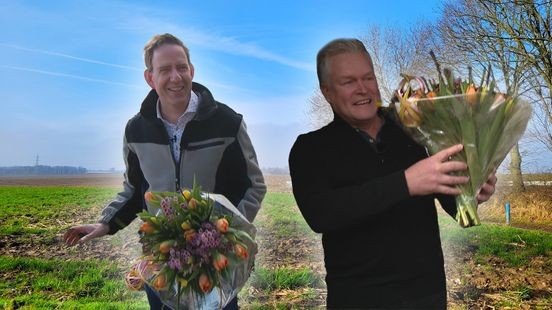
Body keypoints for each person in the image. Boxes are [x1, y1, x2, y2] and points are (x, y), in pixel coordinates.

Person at [288, 38, 497, 309]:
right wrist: (406, 183)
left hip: (426, 294)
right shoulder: (310, 148)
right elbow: (322, 214)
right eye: (348, 81)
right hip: (358, 298)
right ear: (326, 91)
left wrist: (471, 190)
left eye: (368, 77)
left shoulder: (414, 125)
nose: (363, 89)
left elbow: (448, 199)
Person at [63, 33, 266, 310]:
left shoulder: (227, 122)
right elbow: (135, 190)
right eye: (165, 70)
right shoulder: (136, 129)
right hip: (161, 262)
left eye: (182, 67)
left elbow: (253, 185)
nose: (176, 77)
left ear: (191, 71)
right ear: (149, 77)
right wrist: (107, 223)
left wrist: (225, 235)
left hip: (214, 264)